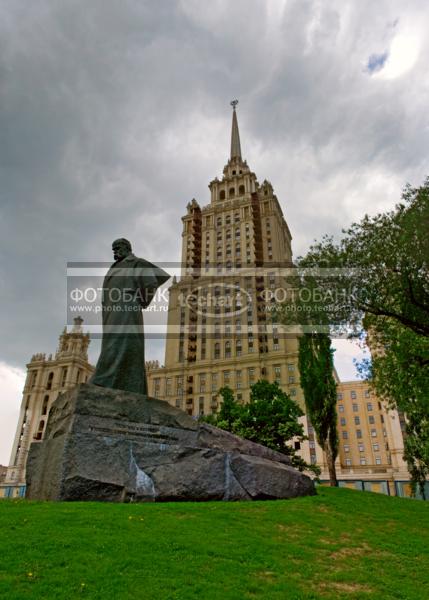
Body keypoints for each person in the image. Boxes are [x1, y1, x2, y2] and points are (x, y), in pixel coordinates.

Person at [89, 238, 170, 395]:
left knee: (120, 342)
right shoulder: (115, 267)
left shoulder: (137, 262)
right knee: (113, 342)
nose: (115, 251)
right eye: (113, 249)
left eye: (117, 248)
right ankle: (120, 384)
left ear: (127, 247)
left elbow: (151, 282)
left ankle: (102, 379)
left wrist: (138, 300)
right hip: (112, 309)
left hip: (126, 307)